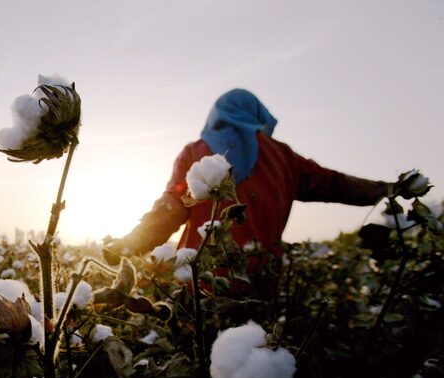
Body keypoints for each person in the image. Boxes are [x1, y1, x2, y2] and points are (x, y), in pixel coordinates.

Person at [103, 88, 398, 269]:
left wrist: (130, 244)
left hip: (198, 278)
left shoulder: (196, 152)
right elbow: (336, 184)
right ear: (256, 115)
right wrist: (386, 189)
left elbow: (172, 208)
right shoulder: (284, 157)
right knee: (250, 350)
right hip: (260, 277)